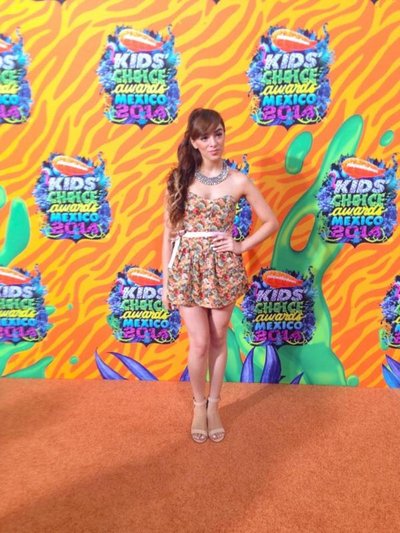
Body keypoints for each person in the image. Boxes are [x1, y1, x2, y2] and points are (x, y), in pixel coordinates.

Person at [162, 108, 278, 444]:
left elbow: (271, 221)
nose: (213, 142)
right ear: (194, 142)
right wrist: (166, 284)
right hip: (186, 268)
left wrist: (241, 245)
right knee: (199, 342)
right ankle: (198, 405)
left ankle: (215, 404)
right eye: (204, 136)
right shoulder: (179, 179)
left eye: (218, 134)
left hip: (223, 269)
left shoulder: (239, 180)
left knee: (217, 338)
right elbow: (168, 234)